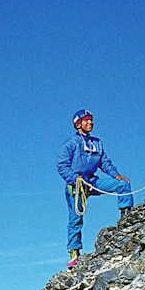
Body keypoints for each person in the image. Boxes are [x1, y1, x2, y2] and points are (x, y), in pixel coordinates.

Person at [56, 109, 132, 269]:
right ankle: (74, 253)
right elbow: (62, 165)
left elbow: (105, 163)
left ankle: (127, 219)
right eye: (87, 120)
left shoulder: (97, 143)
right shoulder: (71, 144)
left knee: (123, 185)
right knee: (75, 219)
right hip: (76, 185)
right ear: (78, 124)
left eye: (91, 120)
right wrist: (73, 178)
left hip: (92, 181)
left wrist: (117, 175)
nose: (90, 123)